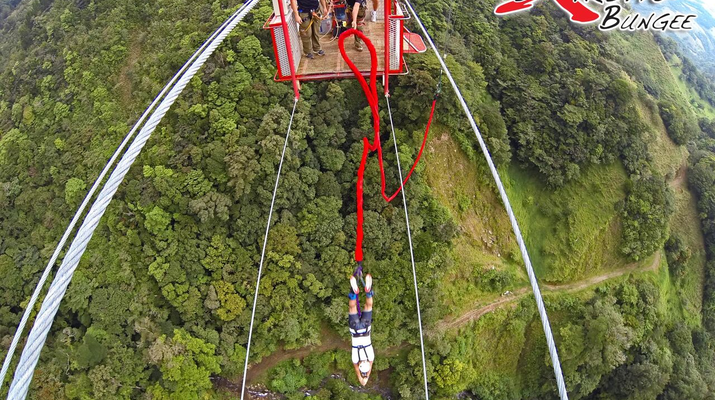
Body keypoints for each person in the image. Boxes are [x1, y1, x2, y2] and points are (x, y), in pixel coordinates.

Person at [348, 272, 374, 386]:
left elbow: (367, 371)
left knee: (368, 306)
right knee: (352, 307)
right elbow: (361, 377)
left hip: (366, 327)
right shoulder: (355, 359)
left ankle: (368, 292)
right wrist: (361, 376)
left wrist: (366, 375)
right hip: (355, 329)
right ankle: (353, 293)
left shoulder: (371, 357)